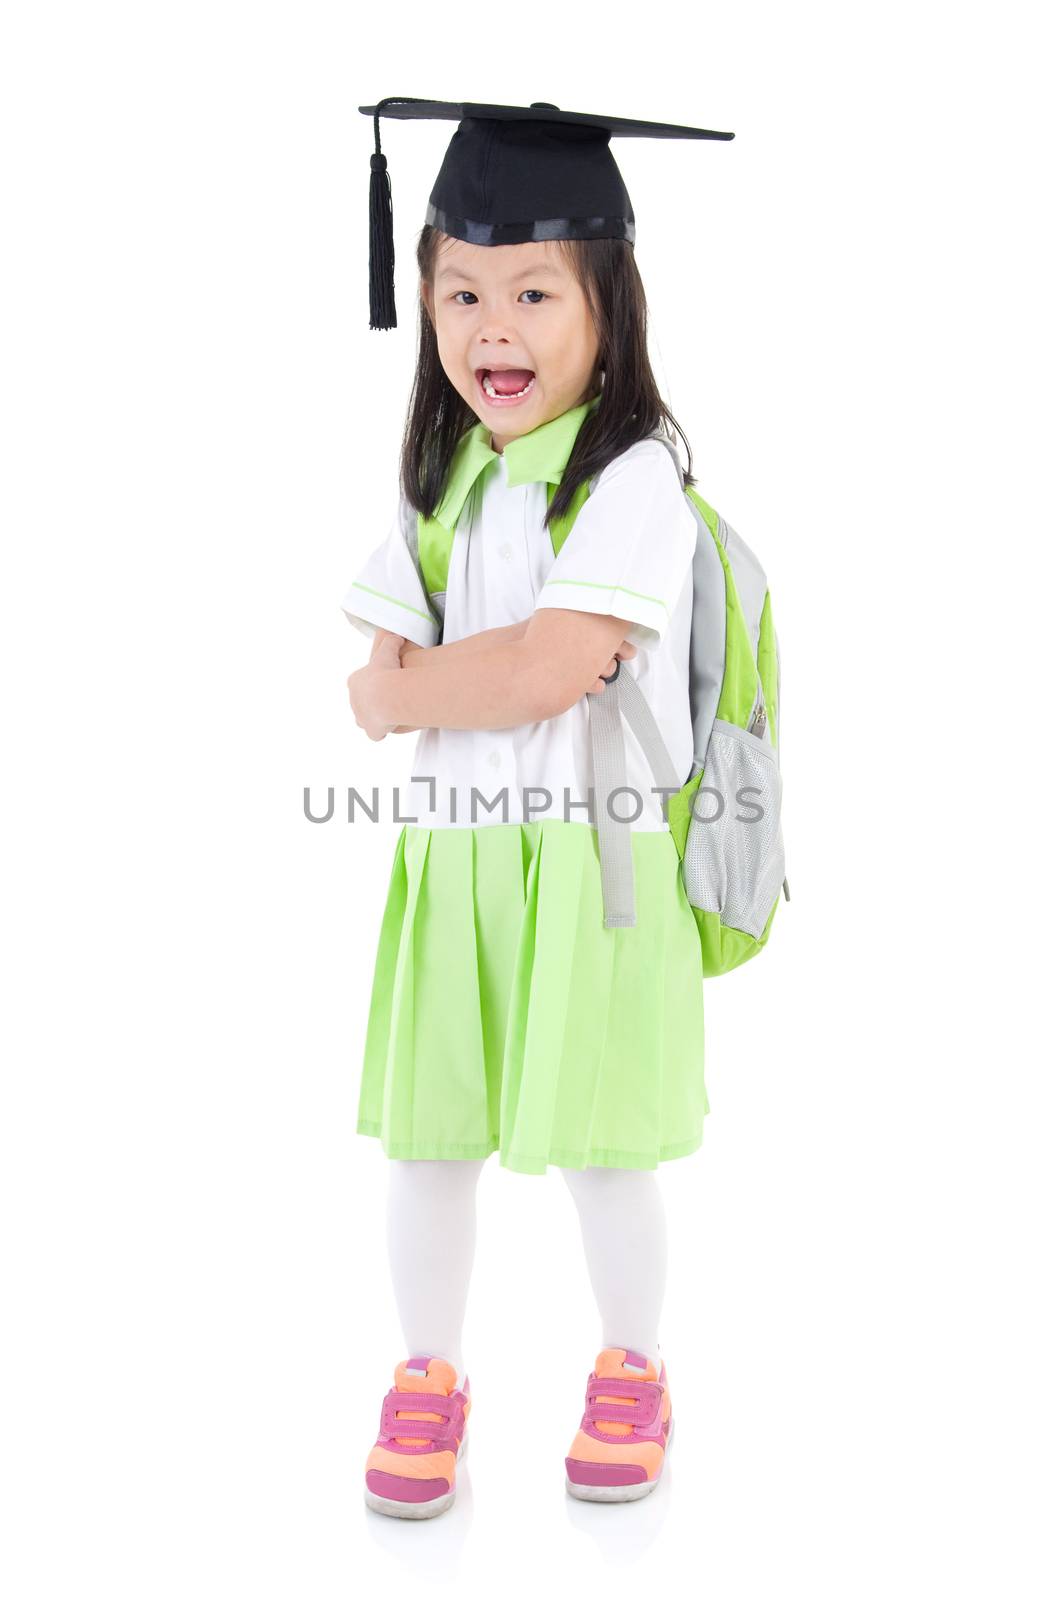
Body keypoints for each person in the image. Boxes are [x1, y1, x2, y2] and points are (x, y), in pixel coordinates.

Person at [342, 98, 735, 1517]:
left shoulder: (634, 484)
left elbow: (540, 670)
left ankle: (634, 1362)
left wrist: (423, 693)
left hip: (598, 872)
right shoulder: (441, 476)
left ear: (606, 311)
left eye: (531, 290)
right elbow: (376, 675)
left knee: (603, 1145)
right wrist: (442, 684)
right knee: (429, 1136)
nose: (488, 325)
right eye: (458, 289)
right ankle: (425, 1375)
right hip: (455, 866)